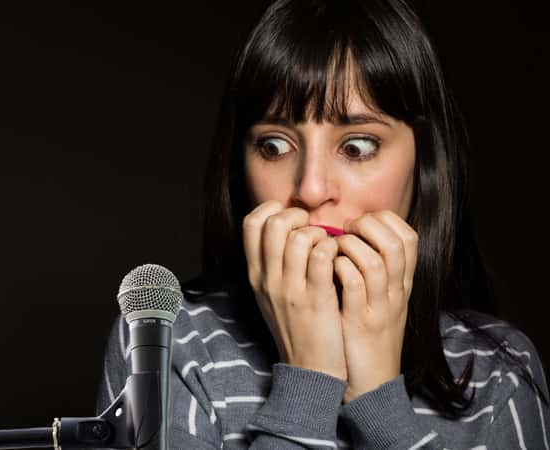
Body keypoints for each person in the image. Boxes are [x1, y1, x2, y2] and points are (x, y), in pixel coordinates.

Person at [97, 0, 550, 448]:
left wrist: (380, 403)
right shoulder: (164, 339)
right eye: (274, 146)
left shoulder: (500, 371)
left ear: (423, 162)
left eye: (356, 147)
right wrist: (308, 382)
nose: (311, 189)